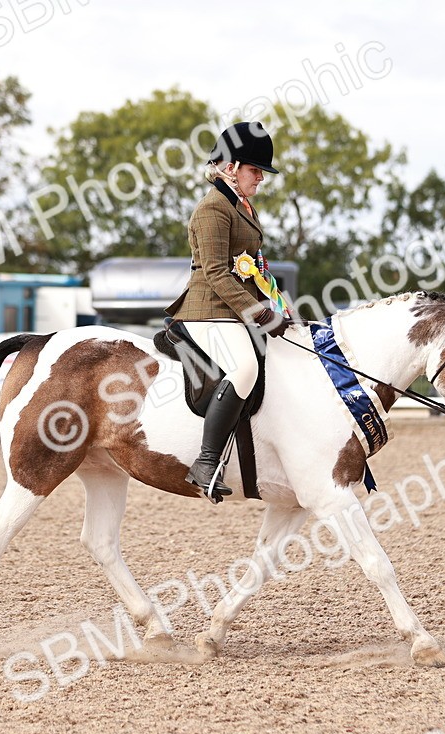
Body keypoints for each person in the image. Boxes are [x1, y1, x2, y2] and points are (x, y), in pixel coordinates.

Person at [165, 121, 292, 500]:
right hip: (208, 311)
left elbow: (253, 269)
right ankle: (206, 463)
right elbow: (216, 272)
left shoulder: (241, 207)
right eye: (255, 170)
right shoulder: (212, 209)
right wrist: (258, 313)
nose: (261, 178)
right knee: (244, 368)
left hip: (232, 311)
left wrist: (277, 306)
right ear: (232, 167)